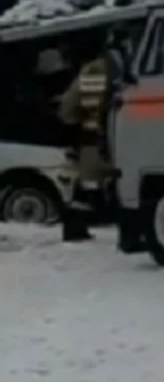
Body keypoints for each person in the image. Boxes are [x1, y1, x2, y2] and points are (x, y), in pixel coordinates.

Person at [58, 49, 111, 242]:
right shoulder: (133, 63)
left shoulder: (93, 70)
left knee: (85, 184)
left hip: (93, 137)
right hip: (127, 133)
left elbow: (67, 108)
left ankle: (76, 228)